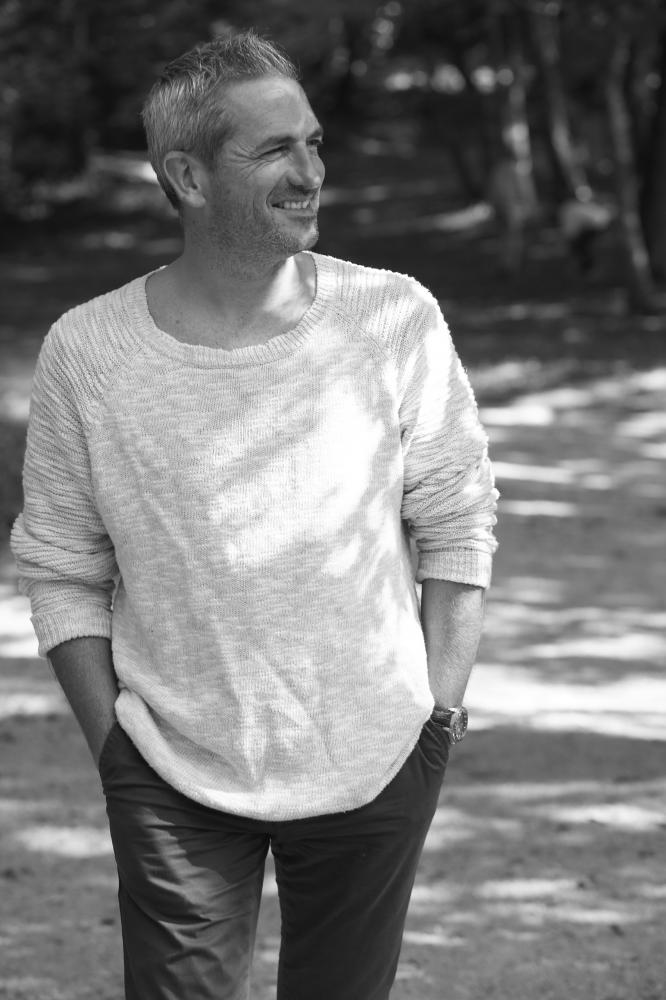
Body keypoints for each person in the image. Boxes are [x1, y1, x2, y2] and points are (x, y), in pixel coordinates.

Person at [11, 30, 498, 1000]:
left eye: (313, 143)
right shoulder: (88, 353)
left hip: (376, 760)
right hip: (169, 772)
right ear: (187, 177)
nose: (310, 173)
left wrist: (435, 721)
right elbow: (61, 565)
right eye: (275, 150)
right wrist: (117, 748)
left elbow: (457, 521)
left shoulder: (392, 319)